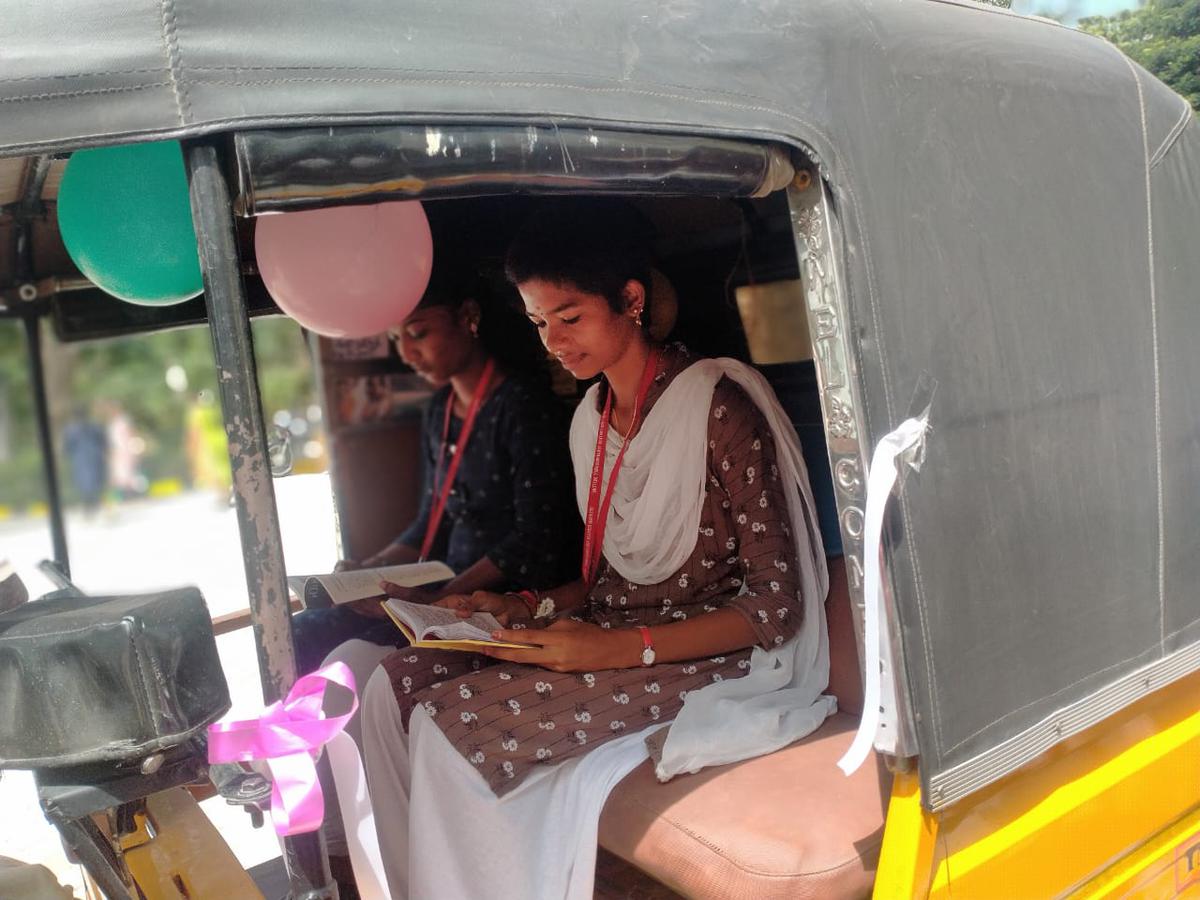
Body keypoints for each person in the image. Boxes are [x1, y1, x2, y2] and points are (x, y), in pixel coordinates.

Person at [344, 201, 833, 899]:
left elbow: (776, 609)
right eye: (540, 323)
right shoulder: (590, 423)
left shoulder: (721, 407)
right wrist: (516, 607)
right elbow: (604, 587)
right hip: (622, 634)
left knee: (452, 732)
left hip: (722, 655)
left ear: (630, 300)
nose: (552, 342)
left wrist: (615, 649)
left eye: (569, 318)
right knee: (399, 687)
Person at [290, 265, 580, 674]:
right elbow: (431, 520)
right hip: (441, 590)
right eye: (397, 340)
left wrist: (440, 596)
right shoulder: (439, 412)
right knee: (298, 632)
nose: (407, 354)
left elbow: (533, 540)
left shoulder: (523, 408)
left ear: (468, 318)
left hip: (493, 600)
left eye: (418, 333)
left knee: (341, 651)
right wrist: (369, 569)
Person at [61, 406, 107, 515]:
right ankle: (91, 504)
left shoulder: (73, 429)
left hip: (84, 459)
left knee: (89, 482)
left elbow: (67, 447)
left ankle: (92, 504)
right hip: (87, 458)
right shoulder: (90, 427)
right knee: (89, 482)